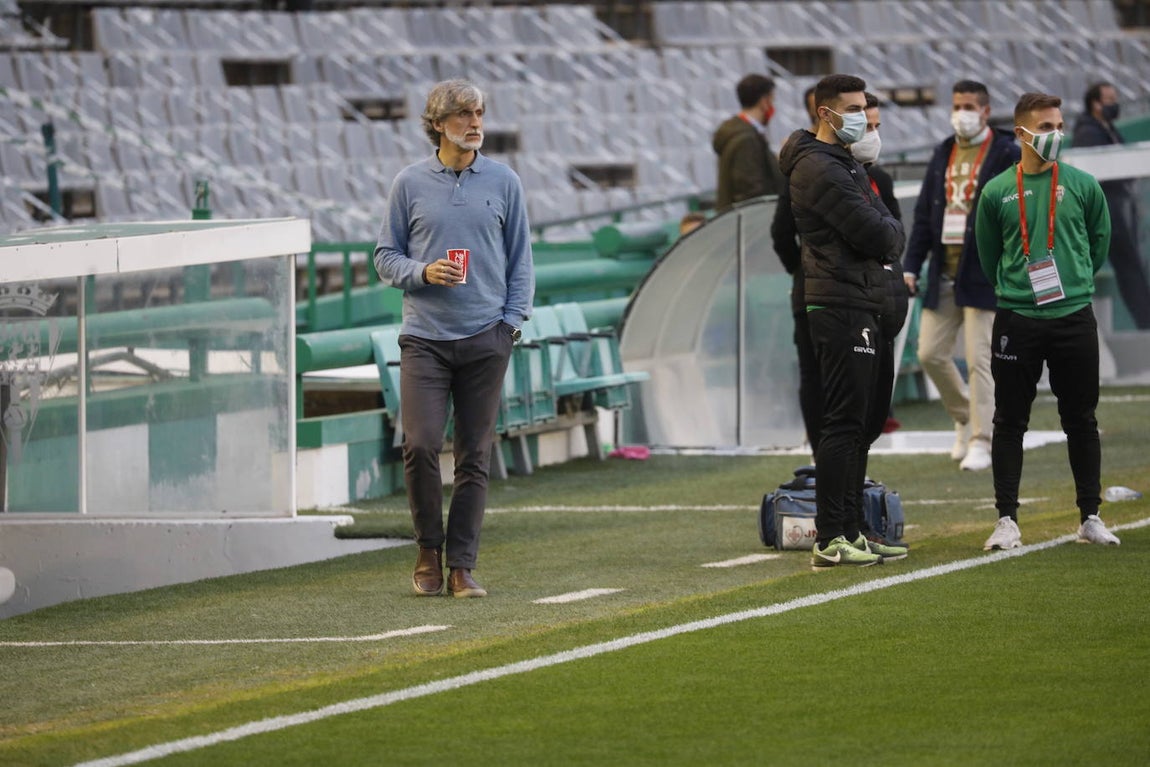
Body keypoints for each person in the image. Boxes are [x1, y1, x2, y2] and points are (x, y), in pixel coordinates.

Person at [374, 79, 536, 597]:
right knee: (420, 445)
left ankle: (462, 567)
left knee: (474, 456)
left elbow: (521, 260)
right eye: (464, 114)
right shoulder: (409, 183)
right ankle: (428, 550)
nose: (475, 122)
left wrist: (509, 325)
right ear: (439, 124)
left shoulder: (505, 181)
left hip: (487, 337)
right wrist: (423, 272)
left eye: (480, 112)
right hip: (424, 339)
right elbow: (384, 256)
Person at [974, 91, 1121, 550]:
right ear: (1020, 133)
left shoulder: (1082, 184)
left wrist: (1074, 282)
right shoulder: (997, 191)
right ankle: (1006, 520)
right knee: (1009, 420)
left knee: (1081, 419)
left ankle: (1090, 516)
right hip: (1017, 317)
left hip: (1073, 315)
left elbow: (1098, 244)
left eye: (1059, 126)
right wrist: (1019, 287)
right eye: (1045, 127)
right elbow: (988, 255)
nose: (1055, 135)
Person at [778, 74, 906, 569]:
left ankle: (855, 528)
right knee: (844, 423)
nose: (861, 117)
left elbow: (887, 227)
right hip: (840, 304)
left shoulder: (843, 163)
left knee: (864, 424)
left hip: (861, 300)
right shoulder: (817, 168)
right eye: (853, 109)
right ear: (825, 112)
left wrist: (886, 230)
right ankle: (831, 535)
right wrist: (886, 231)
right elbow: (881, 234)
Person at [904, 80, 1020, 473]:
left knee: (979, 360)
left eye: (969, 105)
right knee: (929, 354)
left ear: (986, 111)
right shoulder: (943, 151)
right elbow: (923, 216)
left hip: (984, 273)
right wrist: (910, 265)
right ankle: (964, 416)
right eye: (957, 105)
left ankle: (981, 440)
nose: (962, 113)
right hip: (944, 270)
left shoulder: (1006, 152)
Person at [1072, 80, 1150, 329]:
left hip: (1122, 210)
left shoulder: (1110, 130)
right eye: (1108, 99)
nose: (1113, 104)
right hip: (1108, 214)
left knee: (1134, 267)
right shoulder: (1088, 133)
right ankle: (1144, 322)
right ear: (1094, 103)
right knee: (1128, 267)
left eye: (1115, 99)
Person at [712, 74, 784, 212]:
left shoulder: (743, 133)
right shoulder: (747, 139)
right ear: (764, 101)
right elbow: (751, 194)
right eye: (772, 100)